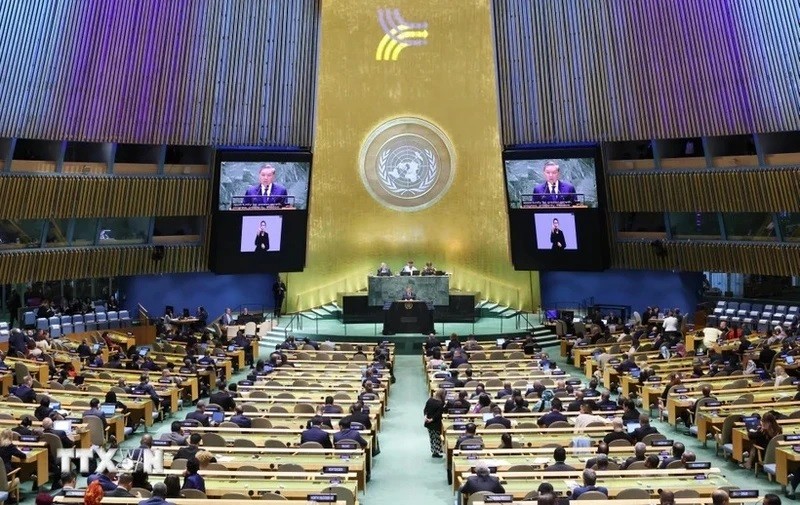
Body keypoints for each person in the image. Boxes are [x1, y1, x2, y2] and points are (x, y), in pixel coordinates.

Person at [423, 389, 446, 458]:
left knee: (432, 437)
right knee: (437, 438)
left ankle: (433, 450)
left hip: (428, 422)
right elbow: (438, 414)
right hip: (436, 423)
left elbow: (425, 409)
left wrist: (426, 417)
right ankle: (436, 452)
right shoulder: (440, 403)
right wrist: (432, 419)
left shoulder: (430, 400)